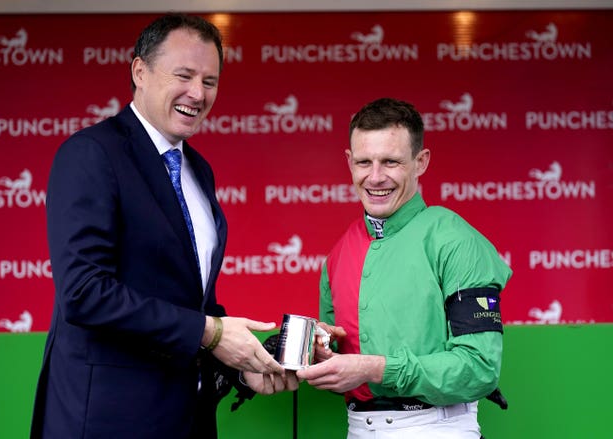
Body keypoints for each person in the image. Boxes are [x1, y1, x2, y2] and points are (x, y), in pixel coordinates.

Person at [30, 13, 296, 439]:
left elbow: (188, 304)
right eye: (185, 75)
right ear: (140, 71)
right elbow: (83, 293)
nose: (198, 93)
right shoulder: (91, 154)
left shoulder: (198, 169)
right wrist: (211, 333)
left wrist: (247, 364)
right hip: (106, 420)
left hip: (185, 418)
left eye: (210, 81)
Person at [297, 98, 512, 438]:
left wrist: (377, 368)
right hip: (357, 429)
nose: (376, 177)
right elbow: (344, 375)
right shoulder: (338, 254)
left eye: (391, 162)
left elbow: (479, 369)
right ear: (350, 162)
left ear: (420, 162)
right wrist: (323, 354)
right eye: (364, 162)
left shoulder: (454, 239)